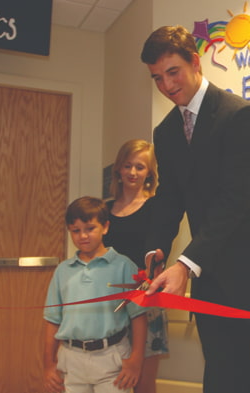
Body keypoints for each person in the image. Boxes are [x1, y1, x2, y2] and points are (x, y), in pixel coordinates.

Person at [139, 25, 250, 393]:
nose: (167, 85)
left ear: (195, 61)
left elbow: (235, 199)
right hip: (211, 274)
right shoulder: (166, 131)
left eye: (173, 72)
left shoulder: (239, 115)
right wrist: (156, 249)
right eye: (157, 78)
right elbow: (171, 197)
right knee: (223, 376)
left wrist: (185, 263)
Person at [43, 196, 147, 393]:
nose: (83, 236)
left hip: (113, 360)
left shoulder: (124, 266)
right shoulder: (62, 271)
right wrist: (48, 365)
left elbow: (138, 316)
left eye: (90, 228)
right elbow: (52, 320)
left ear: (105, 227)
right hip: (71, 361)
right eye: (76, 231)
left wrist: (136, 360)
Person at [103, 139, 169, 393]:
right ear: (118, 169)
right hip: (107, 304)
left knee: (142, 384)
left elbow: (159, 254)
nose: (132, 173)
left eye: (140, 167)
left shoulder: (157, 207)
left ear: (150, 173)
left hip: (145, 302)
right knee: (107, 380)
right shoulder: (103, 210)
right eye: (127, 166)